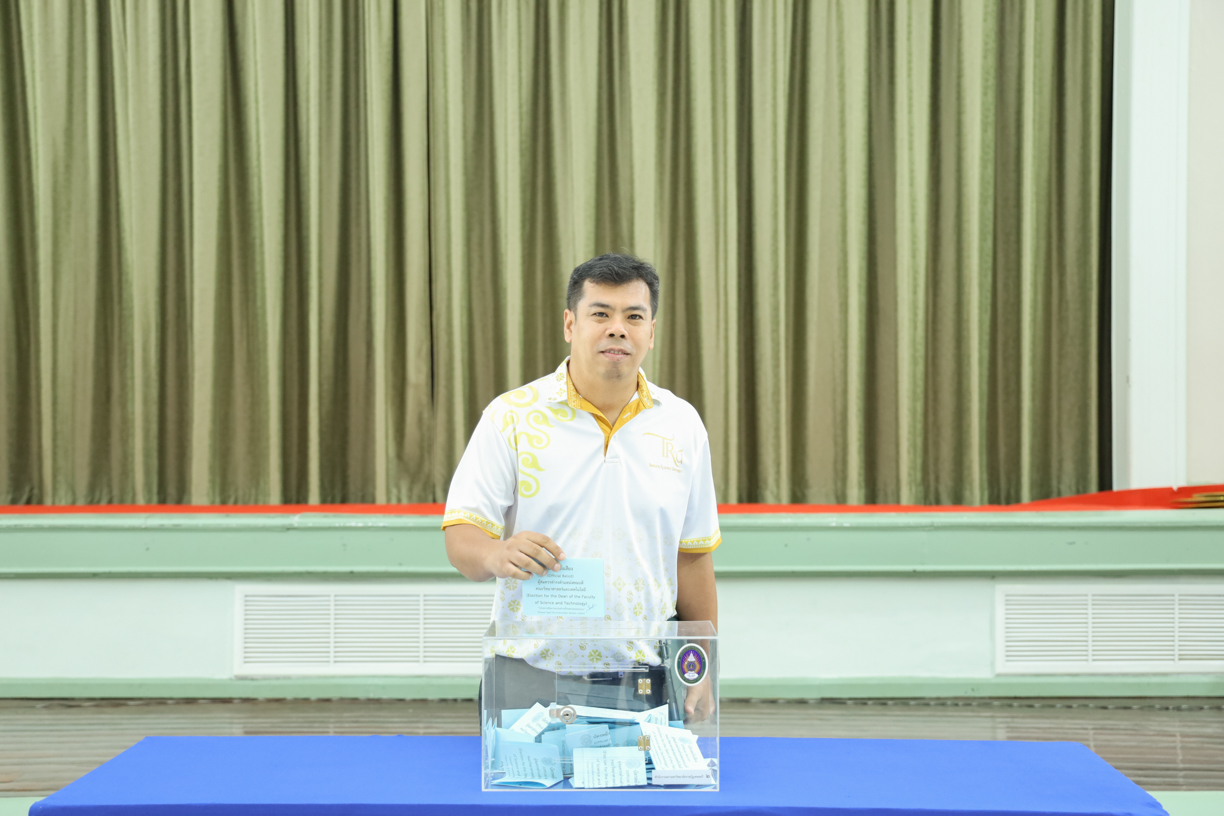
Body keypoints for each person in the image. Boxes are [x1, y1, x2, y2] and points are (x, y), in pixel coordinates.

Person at [442, 253, 719, 725]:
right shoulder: (511, 416)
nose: (618, 329)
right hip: (526, 671)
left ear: (652, 332)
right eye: (600, 314)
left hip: (642, 675)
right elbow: (461, 536)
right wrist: (495, 553)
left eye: (634, 317)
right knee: (520, 777)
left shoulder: (682, 424)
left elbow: (691, 556)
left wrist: (700, 666)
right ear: (570, 324)